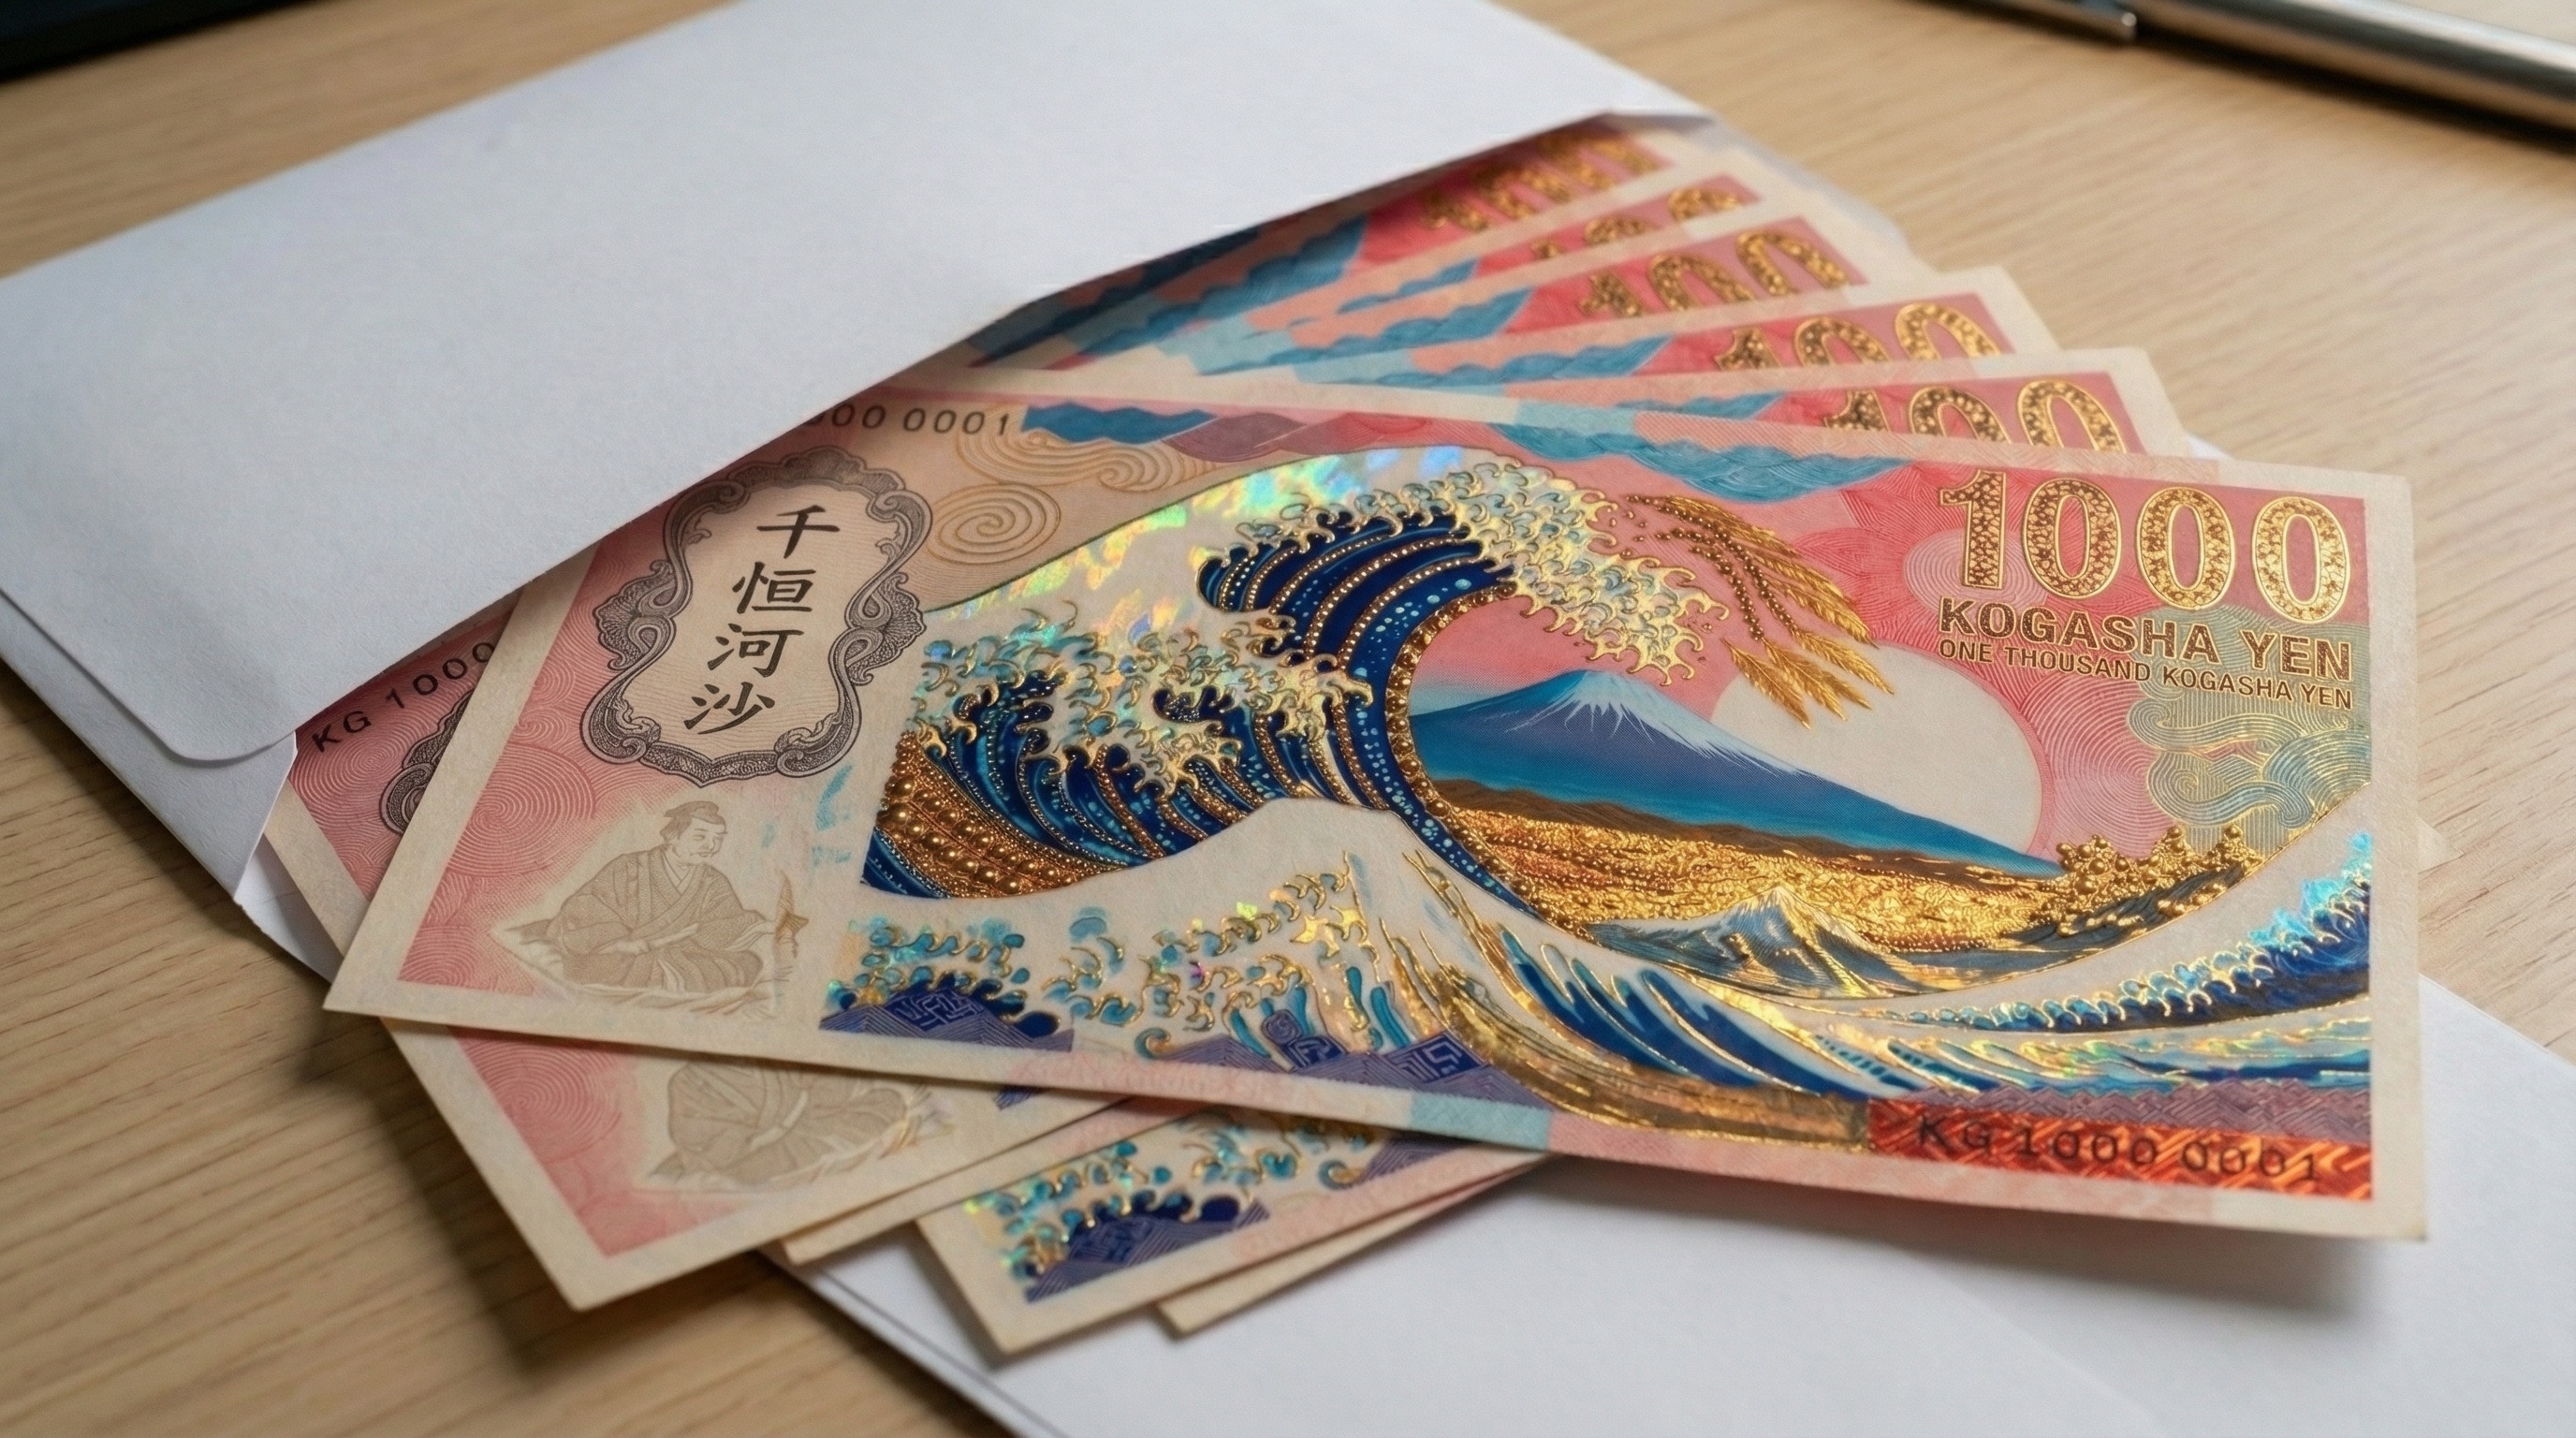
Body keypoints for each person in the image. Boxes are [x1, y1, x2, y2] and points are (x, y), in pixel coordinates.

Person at [542, 800, 768, 991]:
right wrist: (620, 943)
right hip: (623, 952)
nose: (711, 846)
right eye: (700, 836)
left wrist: (750, 925)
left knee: (745, 965)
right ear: (674, 836)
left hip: (683, 952)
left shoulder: (713, 880)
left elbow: (726, 920)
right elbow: (589, 905)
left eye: (718, 838)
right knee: (615, 967)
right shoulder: (629, 867)